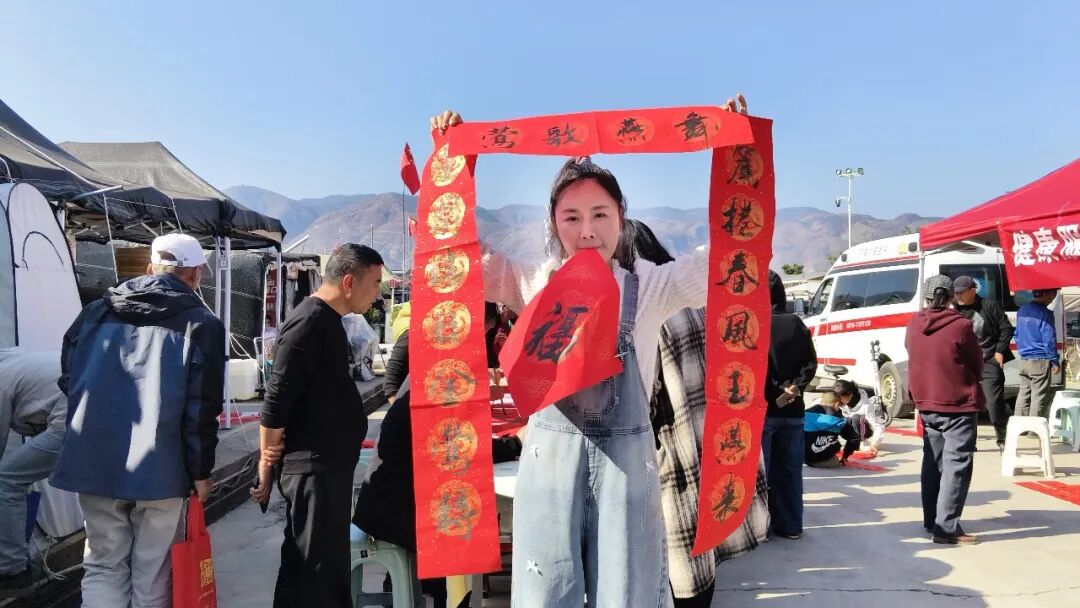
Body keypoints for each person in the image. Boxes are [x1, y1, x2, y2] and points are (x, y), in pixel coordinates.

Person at [432, 95, 748, 608]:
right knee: (546, 591)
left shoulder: (651, 286)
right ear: (553, 223)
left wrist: (736, 156)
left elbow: (726, 256)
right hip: (549, 462)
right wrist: (456, 164)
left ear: (621, 218)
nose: (587, 231)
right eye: (571, 217)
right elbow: (459, 255)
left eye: (600, 214)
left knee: (627, 592)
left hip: (627, 467)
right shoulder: (536, 282)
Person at [50, 233, 225, 606]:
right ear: (196, 274)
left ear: (149, 268)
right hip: (161, 468)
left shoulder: (95, 311)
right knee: (153, 571)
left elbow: (69, 378)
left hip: (94, 460)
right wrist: (201, 471)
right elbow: (201, 409)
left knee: (103, 564)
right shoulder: (202, 324)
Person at [630, 220, 768, 608]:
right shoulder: (700, 303)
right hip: (713, 441)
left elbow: (645, 396)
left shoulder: (649, 308)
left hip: (673, 450)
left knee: (675, 569)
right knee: (702, 549)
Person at [250, 243, 385, 608]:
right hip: (313, 468)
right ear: (349, 282)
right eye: (375, 283)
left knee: (309, 569)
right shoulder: (309, 322)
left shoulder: (329, 321)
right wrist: (265, 462)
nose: (378, 294)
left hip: (328, 467)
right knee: (318, 573)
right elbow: (276, 399)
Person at [352, 380, 522, 608]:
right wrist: (515, 444)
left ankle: (441, 594)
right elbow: (462, 449)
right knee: (462, 526)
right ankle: (440, 596)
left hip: (399, 502)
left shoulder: (426, 379)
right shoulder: (431, 389)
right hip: (394, 511)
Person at [905, 275, 984, 545]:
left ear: (926, 296)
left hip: (926, 401)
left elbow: (912, 352)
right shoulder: (961, 325)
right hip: (957, 402)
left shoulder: (914, 323)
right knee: (956, 465)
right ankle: (946, 527)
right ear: (951, 297)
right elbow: (976, 361)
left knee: (933, 462)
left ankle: (933, 520)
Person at [0, 349, 65, 597]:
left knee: (6, 480)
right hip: (102, 410)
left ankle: (12, 571)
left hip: (73, 419)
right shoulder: (13, 357)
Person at [763, 270, 817, 540]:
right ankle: (791, 526)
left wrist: (776, 390)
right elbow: (811, 363)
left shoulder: (755, 325)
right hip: (794, 410)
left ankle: (760, 528)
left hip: (765, 410)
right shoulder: (797, 324)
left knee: (762, 474)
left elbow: (756, 369)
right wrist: (796, 386)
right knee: (791, 472)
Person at [383, 302, 501, 402]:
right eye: (486, 325)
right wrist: (403, 416)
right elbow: (391, 385)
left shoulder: (454, 336)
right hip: (412, 408)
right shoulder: (415, 334)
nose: (485, 334)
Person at [952, 275, 1015, 449]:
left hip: (988, 358)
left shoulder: (989, 306)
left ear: (973, 290)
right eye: (956, 293)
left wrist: (999, 351)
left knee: (993, 401)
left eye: (961, 292)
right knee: (967, 403)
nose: (958, 296)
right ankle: (969, 441)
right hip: (964, 361)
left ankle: (1002, 439)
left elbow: (1006, 329)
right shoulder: (953, 310)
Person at [1014, 289, 1060, 418]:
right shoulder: (1045, 313)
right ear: (1045, 294)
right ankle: (1035, 428)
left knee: (1023, 395)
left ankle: (1019, 425)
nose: (1052, 300)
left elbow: (1017, 335)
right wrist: (1054, 360)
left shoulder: (1022, 310)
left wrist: (1023, 350)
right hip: (1040, 360)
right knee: (1038, 397)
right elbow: (1049, 339)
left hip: (1024, 359)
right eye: (1052, 295)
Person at [803, 391, 869, 468]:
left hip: (802, 456)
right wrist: (845, 456)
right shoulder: (839, 420)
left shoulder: (804, 414)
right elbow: (853, 437)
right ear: (837, 404)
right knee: (836, 450)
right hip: (821, 460)